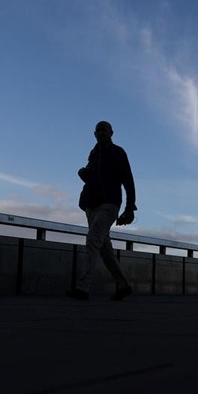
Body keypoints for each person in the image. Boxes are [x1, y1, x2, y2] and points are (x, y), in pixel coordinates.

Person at [66, 121, 136, 302]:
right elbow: (92, 177)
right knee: (104, 249)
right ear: (94, 133)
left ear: (112, 132)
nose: (101, 132)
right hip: (91, 205)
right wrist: (84, 174)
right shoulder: (94, 153)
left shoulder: (117, 152)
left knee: (92, 240)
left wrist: (130, 207)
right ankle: (124, 285)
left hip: (109, 204)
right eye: (98, 130)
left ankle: (83, 287)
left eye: (104, 129)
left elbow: (128, 180)